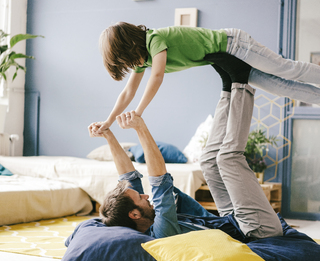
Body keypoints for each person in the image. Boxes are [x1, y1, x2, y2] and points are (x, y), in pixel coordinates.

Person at [89, 61, 283, 241]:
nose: (145, 196)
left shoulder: (142, 216)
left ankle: (228, 87)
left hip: (228, 220)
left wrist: (108, 136)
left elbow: (128, 177)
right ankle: (242, 82)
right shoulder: (162, 230)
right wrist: (140, 127)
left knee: (208, 160)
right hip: (256, 231)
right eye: (140, 197)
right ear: (134, 214)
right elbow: (159, 179)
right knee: (228, 158)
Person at [89, 22, 320, 134]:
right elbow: (127, 92)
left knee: (285, 69)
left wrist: (138, 113)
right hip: (227, 59)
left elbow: (157, 77)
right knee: (280, 87)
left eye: (128, 60)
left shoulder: (154, 39)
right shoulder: (144, 59)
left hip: (234, 45)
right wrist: (108, 121)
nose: (132, 67)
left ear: (131, 45)